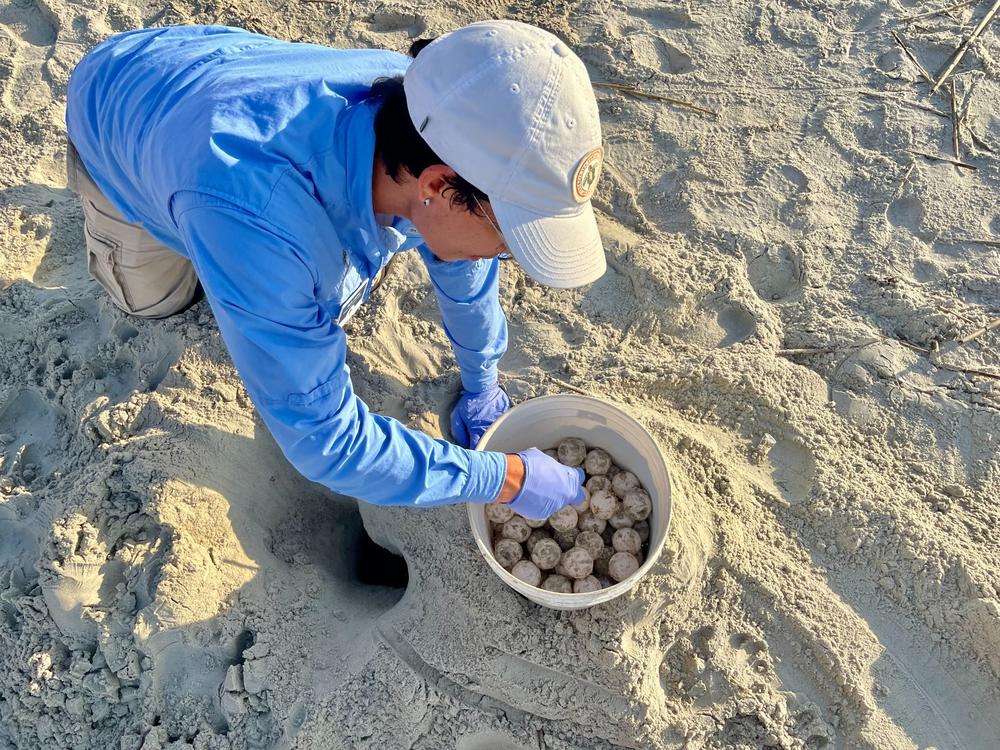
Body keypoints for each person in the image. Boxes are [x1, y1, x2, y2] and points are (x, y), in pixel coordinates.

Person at [64, 20, 607, 520]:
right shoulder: (262, 220)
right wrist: (507, 478)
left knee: (312, 282)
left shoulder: (430, 112)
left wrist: (481, 379)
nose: (505, 257)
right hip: (116, 117)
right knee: (162, 301)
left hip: (214, 87)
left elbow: (460, 259)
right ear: (439, 188)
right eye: (509, 238)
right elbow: (327, 444)